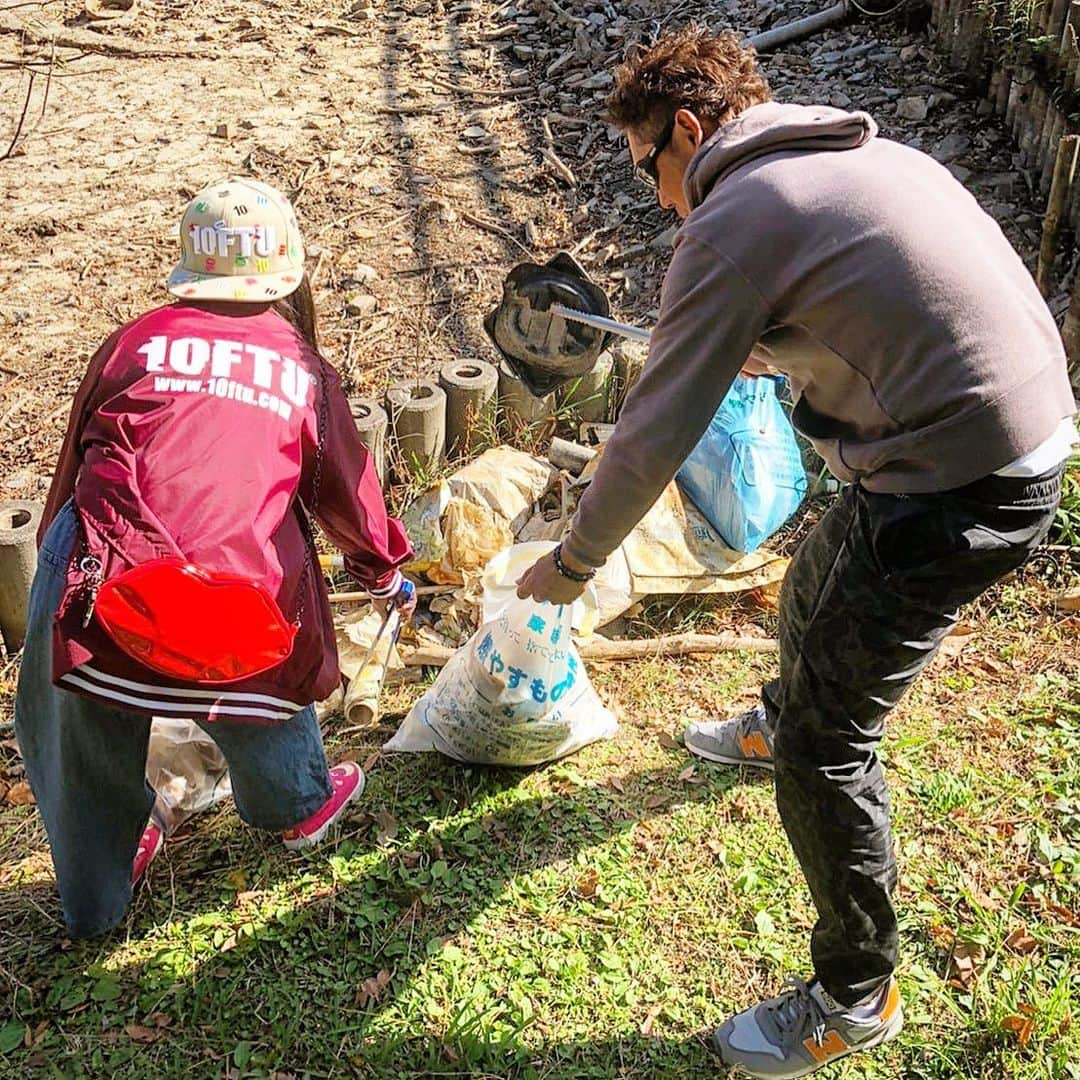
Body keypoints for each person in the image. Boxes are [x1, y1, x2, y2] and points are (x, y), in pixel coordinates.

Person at [516, 26, 1076, 1079]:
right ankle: (779, 719)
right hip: (1009, 434)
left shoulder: (736, 218)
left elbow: (651, 435)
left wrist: (574, 562)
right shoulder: (843, 154)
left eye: (651, 170)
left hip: (959, 483)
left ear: (690, 128)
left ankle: (858, 994)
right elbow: (860, 307)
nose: (659, 199)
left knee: (835, 749)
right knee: (819, 579)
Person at [15, 178, 415, 939]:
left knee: (83, 726)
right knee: (260, 671)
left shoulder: (133, 341)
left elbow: (71, 475)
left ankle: (95, 898)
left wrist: (56, 585)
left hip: (103, 588)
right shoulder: (299, 366)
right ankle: (296, 805)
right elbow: (348, 490)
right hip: (239, 596)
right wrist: (382, 568)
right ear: (287, 271)